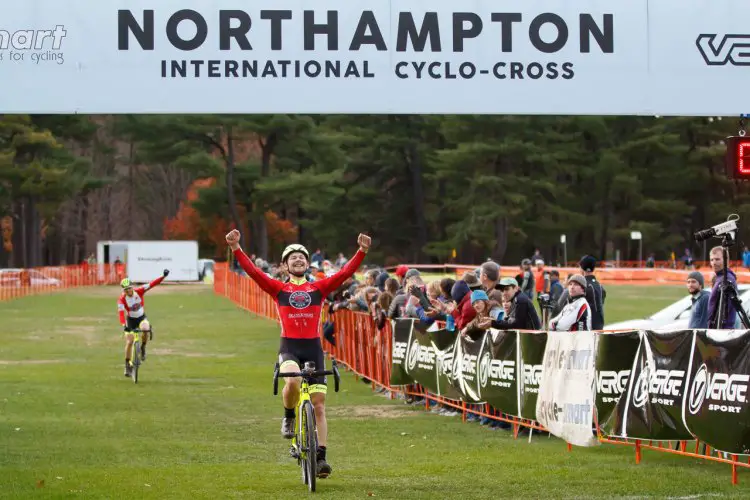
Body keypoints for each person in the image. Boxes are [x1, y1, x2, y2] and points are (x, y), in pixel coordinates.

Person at [225, 228, 371, 479]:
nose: (298, 260)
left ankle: (321, 457)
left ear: (308, 263)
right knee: (292, 380)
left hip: (313, 348)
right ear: (284, 266)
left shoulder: (319, 288)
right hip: (290, 347)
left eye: (302, 257)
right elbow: (253, 272)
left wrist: (362, 251)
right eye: (292, 257)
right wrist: (236, 248)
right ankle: (289, 415)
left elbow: (346, 272)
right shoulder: (278, 289)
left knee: (320, 406)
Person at [118, 269, 169, 377]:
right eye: (125, 290)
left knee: (146, 329)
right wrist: (124, 326)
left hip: (141, 317)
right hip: (130, 320)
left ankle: (143, 347)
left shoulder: (140, 291)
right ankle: (127, 365)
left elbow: (152, 284)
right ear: (123, 291)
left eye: (129, 289)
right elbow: (121, 314)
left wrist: (163, 276)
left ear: (132, 287)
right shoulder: (122, 299)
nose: (128, 292)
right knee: (129, 342)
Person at [707, 246, 737, 329]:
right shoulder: (719, 278)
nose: (714, 263)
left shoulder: (727, 279)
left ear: (726, 260)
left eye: (717, 259)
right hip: (716, 329)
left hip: (722, 331)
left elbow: (725, 311)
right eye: (712, 260)